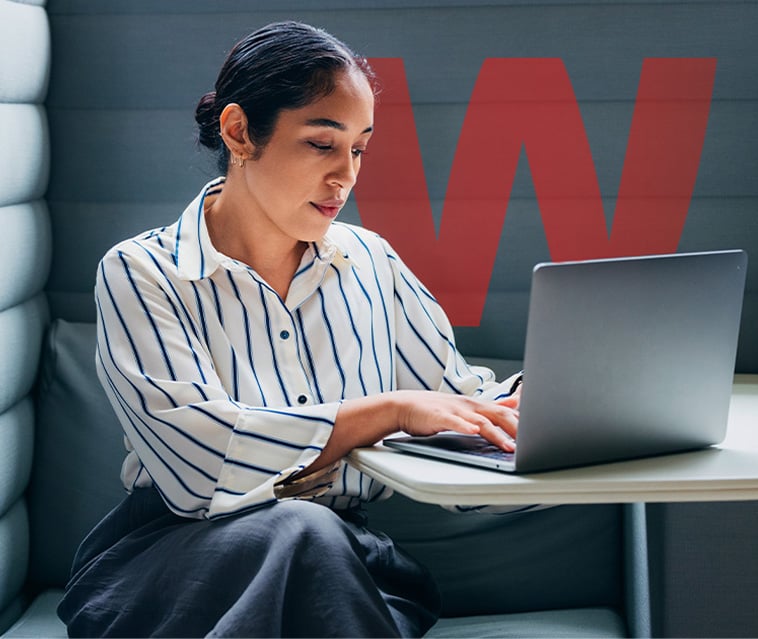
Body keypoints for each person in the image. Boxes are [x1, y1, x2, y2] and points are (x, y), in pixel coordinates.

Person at [57, 21, 525, 638]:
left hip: (345, 563)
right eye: (321, 144)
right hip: (174, 565)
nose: (346, 176)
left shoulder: (372, 261)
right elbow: (204, 466)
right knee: (303, 532)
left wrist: (545, 412)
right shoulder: (142, 272)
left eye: (358, 148)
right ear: (239, 132)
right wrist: (388, 412)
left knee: (316, 539)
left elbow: (458, 409)